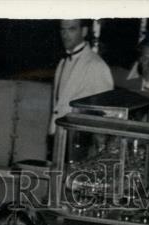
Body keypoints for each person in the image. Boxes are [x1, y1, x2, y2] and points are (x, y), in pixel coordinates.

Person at [48, 20, 113, 152]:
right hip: (59, 139)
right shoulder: (63, 62)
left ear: (84, 31)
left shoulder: (96, 65)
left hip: (80, 144)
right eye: (63, 30)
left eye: (71, 29)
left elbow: (107, 112)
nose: (65, 35)